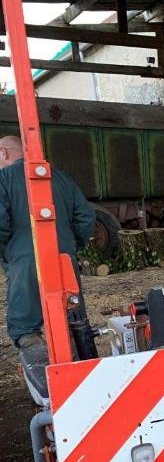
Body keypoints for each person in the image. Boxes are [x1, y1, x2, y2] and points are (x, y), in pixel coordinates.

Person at [0, 135, 95, 348]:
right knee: (74, 322)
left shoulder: (3, 178)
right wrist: (70, 247)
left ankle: (41, 373)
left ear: (3, 153)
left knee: (27, 331)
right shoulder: (61, 177)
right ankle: (83, 365)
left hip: (24, 263)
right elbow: (86, 218)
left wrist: (8, 255)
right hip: (63, 260)